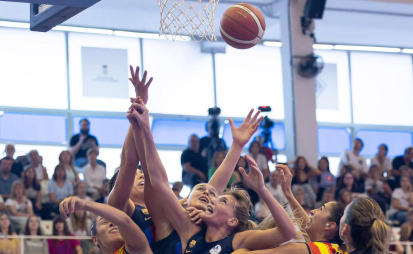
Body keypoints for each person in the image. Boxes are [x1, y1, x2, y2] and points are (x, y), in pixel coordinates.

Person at [129, 98, 297, 254]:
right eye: (202, 191)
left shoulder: (235, 241)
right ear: (186, 200)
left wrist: (262, 189)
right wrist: (142, 128)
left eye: (218, 198)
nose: (211, 197)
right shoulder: (184, 225)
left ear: (232, 221)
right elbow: (159, 181)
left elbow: (288, 232)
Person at [232, 164, 346, 254]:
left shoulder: (298, 249)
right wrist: (288, 193)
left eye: (321, 209)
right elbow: (307, 226)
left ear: (330, 226)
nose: (312, 211)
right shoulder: (336, 249)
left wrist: (231, 243)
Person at [107, 67, 155, 247]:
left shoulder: (165, 205)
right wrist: (137, 113)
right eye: (136, 175)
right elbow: (129, 162)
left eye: (141, 173)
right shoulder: (121, 207)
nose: (141, 174)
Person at [60, 196, 153, 254]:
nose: (113, 223)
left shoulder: (138, 247)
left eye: (116, 221)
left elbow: (124, 220)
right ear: (95, 239)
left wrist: (84, 204)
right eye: (104, 222)